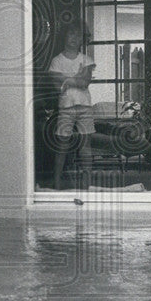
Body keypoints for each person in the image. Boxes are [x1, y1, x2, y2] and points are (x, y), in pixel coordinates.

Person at [48, 25, 96, 189]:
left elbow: (85, 82)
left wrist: (66, 80)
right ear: (64, 37)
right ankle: (57, 183)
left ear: (82, 40)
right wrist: (76, 77)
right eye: (71, 34)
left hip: (84, 107)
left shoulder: (86, 60)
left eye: (78, 36)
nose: (74, 38)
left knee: (85, 145)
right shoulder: (57, 61)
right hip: (66, 107)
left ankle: (86, 185)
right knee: (62, 145)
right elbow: (56, 87)